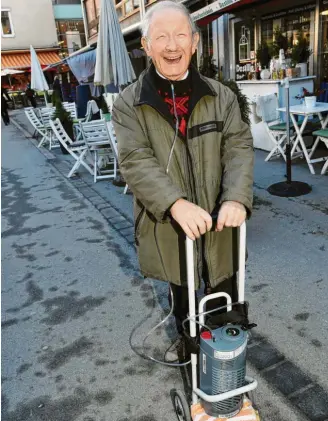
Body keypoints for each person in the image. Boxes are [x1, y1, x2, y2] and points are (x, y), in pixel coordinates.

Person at [112, 1, 254, 362]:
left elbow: (237, 146)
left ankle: (223, 359)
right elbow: (134, 160)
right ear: (146, 46)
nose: (171, 46)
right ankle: (189, 345)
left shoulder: (221, 96)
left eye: (180, 35)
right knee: (183, 291)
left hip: (219, 217)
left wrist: (236, 197)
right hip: (169, 223)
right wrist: (175, 203)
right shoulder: (129, 104)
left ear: (194, 42)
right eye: (161, 37)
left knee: (224, 286)